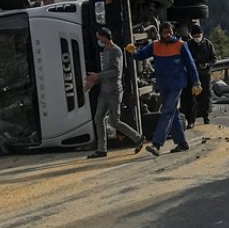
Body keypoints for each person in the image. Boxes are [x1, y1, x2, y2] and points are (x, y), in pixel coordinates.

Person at [129, 22, 200, 156]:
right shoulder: (155, 46)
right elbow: (141, 55)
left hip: (177, 84)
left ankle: (157, 144)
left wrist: (196, 82)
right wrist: (133, 52)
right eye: (165, 32)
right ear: (160, 33)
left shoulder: (180, 45)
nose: (168, 35)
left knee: (166, 111)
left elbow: (190, 64)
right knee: (172, 113)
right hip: (163, 85)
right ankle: (182, 143)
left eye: (170, 32)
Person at [82, 27, 145, 159]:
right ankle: (101, 149)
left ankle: (138, 138)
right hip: (104, 91)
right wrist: (94, 81)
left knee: (114, 121)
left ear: (104, 37)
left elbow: (116, 71)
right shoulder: (105, 51)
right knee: (98, 118)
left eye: (99, 37)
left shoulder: (116, 51)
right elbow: (105, 73)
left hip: (114, 91)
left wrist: (97, 76)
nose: (98, 40)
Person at [183, 23, 217, 127]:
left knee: (205, 97)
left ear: (202, 34)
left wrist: (207, 64)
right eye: (195, 36)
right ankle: (191, 120)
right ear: (192, 36)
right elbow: (184, 58)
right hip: (192, 76)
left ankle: (206, 116)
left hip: (204, 74)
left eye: (199, 35)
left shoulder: (208, 44)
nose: (197, 38)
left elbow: (214, 58)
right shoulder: (188, 45)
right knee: (191, 98)